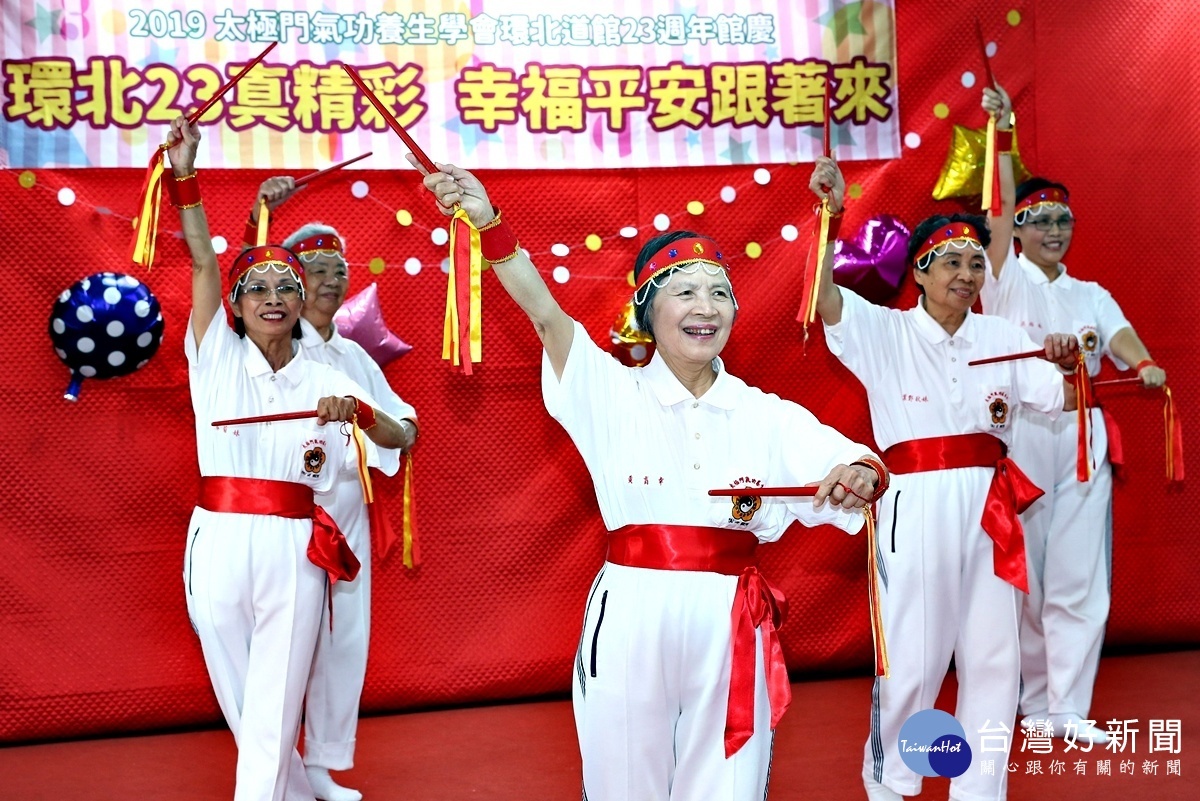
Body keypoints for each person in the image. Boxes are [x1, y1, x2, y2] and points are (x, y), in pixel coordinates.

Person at [410, 155, 887, 801]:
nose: (705, 306)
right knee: (622, 785)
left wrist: (855, 475)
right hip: (632, 610)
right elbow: (546, 314)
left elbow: (857, 463)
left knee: (731, 783)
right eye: (684, 290)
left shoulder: (765, 412)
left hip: (731, 618)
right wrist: (486, 219)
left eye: (720, 291)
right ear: (646, 310)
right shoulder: (608, 390)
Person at [807, 157, 1082, 800]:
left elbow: (1064, 399)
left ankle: (979, 790)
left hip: (990, 508)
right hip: (915, 504)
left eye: (975, 263)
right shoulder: (886, 329)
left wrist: (1068, 357)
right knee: (912, 658)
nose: (966, 273)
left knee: (994, 661)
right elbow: (822, 298)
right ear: (921, 272)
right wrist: (831, 213)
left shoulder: (1002, 335)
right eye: (950, 261)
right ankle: (891, 782)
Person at [164, 116, 408, 801]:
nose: (272, 296)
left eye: (286, 287)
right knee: (244, 696)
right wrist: (186, 174)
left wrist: (359, 412)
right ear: (236, 308)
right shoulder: (214, 355)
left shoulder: (330, 373)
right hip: (217, 537)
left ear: (302, 303)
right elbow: (204, 260)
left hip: (298, 545)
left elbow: (402, 437)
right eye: (258, 288)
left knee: (274, 704)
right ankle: (292, 789)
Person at [979, 85, 1166, 744]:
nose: (1054, 232)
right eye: (1041, 222)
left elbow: (1120, 339)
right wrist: (1001, 135)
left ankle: (1068, 710)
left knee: (1080, 575)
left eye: (1063, 221)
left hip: (1084, 437)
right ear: (1021, 233)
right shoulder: (1001, 277)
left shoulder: (1091, 292)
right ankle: (1031, 701)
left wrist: (1142, 364)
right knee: (1024, 574)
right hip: (1022, 434)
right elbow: (996, 212)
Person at [245, 179, 420, 801]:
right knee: (284, 641)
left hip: (346, 509)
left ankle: (320, 761)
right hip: (283, 514)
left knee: (344, 636)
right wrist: (261, 213)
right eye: (315, 270)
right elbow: (240, 282)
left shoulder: (352, 354)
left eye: (338, 270)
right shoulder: (267, 347)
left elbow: (401, 422)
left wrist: (395, 427)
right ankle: (273, 763)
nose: (330, 281)